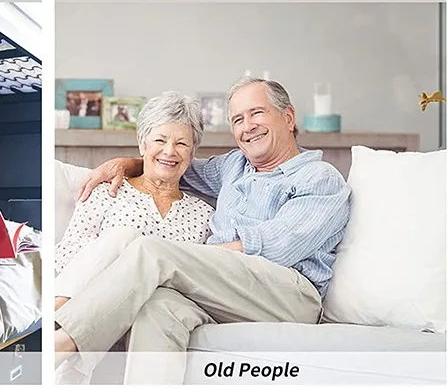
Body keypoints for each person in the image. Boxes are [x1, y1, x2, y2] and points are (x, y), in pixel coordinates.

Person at [55, 77, 351, 384]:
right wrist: (126, 163)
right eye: (238, 119)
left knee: (151, 249)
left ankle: (60, 344)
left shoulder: (319, 178)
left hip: (290, 297)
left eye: (256, 113)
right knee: (158, 307)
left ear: (288, 117)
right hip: (227, 291)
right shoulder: (234, 166)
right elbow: (172, 163)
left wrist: (189, 257)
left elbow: (278, 247)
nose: (247, 126)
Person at [55, 92, 213, 310]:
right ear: (142, 143)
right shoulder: (106, 192)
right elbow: (64, 257)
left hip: (164, 312)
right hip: (97, 302)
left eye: (182, 144)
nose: (169, 151)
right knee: (124, 236)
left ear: (193, 152)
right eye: (160, 140)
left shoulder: (204, 214)